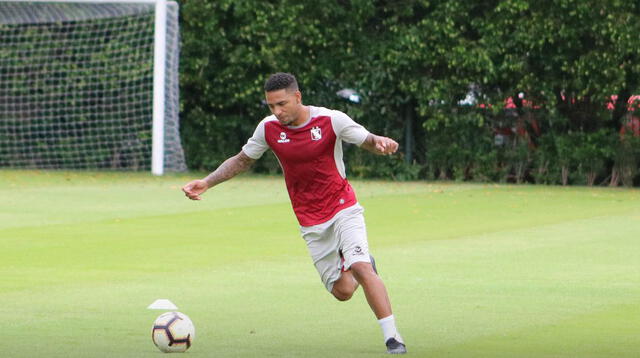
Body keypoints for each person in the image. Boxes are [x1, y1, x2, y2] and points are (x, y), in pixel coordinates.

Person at [182, 72, 407, 354]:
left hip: (343, 207)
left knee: (360, 266)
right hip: (310, 220)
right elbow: (242, 161)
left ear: (297, 97)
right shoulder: (268, 129)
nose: (277, 111)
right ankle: (359, 263)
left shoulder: (331, 120)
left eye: (282, 104)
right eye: (271, 106)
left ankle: (393, 338)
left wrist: (382, 143)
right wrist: (206, 182)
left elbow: (368, 140)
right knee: (343, 291)